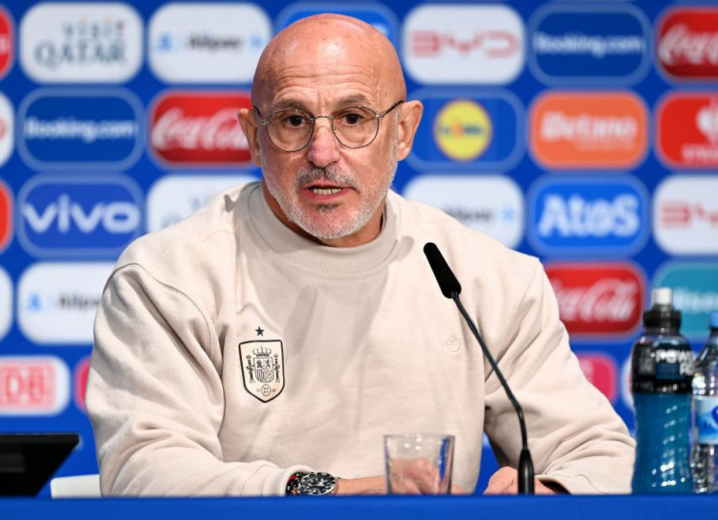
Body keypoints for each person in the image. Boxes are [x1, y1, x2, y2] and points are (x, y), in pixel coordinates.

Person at [87, 14, 635, 496]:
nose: (322, 152)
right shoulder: (169, 276)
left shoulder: (487, 279)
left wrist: (552, 491)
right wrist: (329, 494)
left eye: (353, 118)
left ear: (404, 131)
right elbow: (145, 474)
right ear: (253, 137)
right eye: (294, 120)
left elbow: (603, 455)